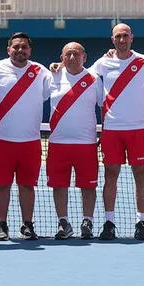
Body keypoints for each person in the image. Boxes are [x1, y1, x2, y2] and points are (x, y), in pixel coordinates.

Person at [89, 24, 144, 240]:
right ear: (113, 40)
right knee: (111, 176)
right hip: (112, 128)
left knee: (141, 176)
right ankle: (109, 222)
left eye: (125, 36)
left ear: (132, 38)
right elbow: (82, 76)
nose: (122, 40)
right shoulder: (103, 63)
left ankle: (141, 222)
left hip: (138, 128)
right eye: (118, 36)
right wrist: (59, 67)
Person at [0, 32, 52, 241]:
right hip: (0, 140)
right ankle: (1, 226)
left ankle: (27, 225)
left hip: (30, 141)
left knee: (27, 185)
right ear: (8, 49)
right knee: (2, 185)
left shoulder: (40, 71)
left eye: (24, 47)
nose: (20, 50)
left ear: (30, 50)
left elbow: (64, 81)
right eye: (16, 47)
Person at [47, 42, 103, 240]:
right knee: (59, 185)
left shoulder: (94, 79)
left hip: (86, 144)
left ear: (84, 57)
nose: (72, 58)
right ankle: (63, 222)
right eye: (68, 54)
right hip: (58, 143)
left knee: (88, 186)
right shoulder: (51, 77)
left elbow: (103, 107)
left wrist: (104, 133)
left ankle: (87, 221)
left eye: (76, 54)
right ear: (62, 58)